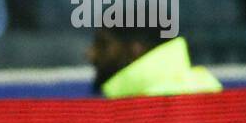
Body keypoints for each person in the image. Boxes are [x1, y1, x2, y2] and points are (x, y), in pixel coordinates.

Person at [89, 22, 222, 98]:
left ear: (135, 49)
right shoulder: (205, 88)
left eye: (103, 44)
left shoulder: (152, 107)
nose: (90, 54)